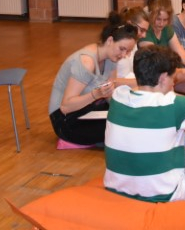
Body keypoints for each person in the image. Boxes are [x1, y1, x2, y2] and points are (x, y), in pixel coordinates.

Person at [104, 46, 185, 202]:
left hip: (116, 188)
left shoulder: (118, 96)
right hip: (167, 196)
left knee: (184, 125)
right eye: (173, 78)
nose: (174, 83)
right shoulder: (173, 103)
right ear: (163, 78)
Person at [48, 13, 138, 145]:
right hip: (65, 120)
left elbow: (109, 97)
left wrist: (126, 111)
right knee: (121, 128)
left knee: (132, 119)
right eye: (122, 49)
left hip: (88, 108)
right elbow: (66, 106)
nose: (124, 55)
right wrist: (95, 95)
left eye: (128, 51)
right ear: (110, 41)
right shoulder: (86, 62)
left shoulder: (112, 58)